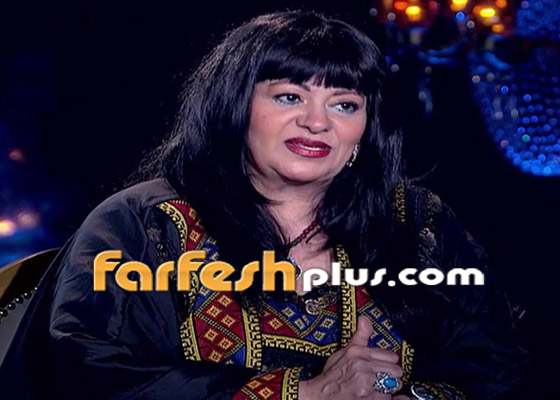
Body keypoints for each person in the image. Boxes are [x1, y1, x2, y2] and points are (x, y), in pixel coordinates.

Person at [0, 10, 529, 400]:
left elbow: (494, 365)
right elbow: (91, 375)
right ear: (236, 108)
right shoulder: (145, 224)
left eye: (344, 104)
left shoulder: (417, 223)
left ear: (366, 129)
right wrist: (304, 393)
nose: (317, 122)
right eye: (289, 96)